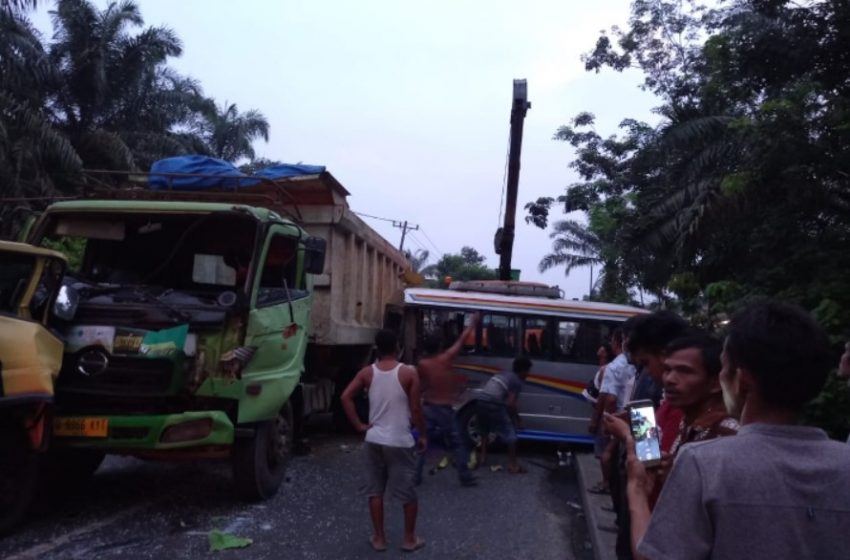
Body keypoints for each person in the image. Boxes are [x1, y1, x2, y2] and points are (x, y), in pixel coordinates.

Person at [625, 301, 850, 559]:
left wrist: (637, 490)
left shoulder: (704, 462)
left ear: (740, 380)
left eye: (724, 368)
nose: (670, 379)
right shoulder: (844, 463)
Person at [340, 329, 428, 553]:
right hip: (400, 440)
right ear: (398, 347)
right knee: (407, 492)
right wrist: (423, 434)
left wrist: (359, 426)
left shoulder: (367, 372)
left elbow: (345, 397)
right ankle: (409, 539)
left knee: (375, 491)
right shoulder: (409, 373)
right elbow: (416, 408)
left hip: (374, 440)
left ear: (377, 348)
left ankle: (379, 539)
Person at [414, 313, 479, 487]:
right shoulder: (446, 359)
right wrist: (473, 322)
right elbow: (462, 340)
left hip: (428, 406)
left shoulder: (422, 364)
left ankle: (415, 477)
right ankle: (465, 476)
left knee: (423, 441)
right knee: (457, 443)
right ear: (440, 345)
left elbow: (421, 387)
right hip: (444, 409)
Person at [475, 356, 531, 474]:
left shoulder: (503, 374)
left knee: (484, 430)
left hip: (480, 400)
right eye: (527, 371)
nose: (528, 374)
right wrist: (518, 420)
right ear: (522, 370)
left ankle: (483, 458)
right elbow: (511, 404)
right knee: (510, 435)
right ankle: (513, 466)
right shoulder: (516, 381)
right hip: (493, 402)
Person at [583, 342, 615, 494]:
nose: (597, 353)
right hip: (612, 418)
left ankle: (606, 483)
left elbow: (606, 398)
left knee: (605, 453)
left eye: (601, 351)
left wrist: (598, 420)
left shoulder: (609, 369)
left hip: (607, 418)